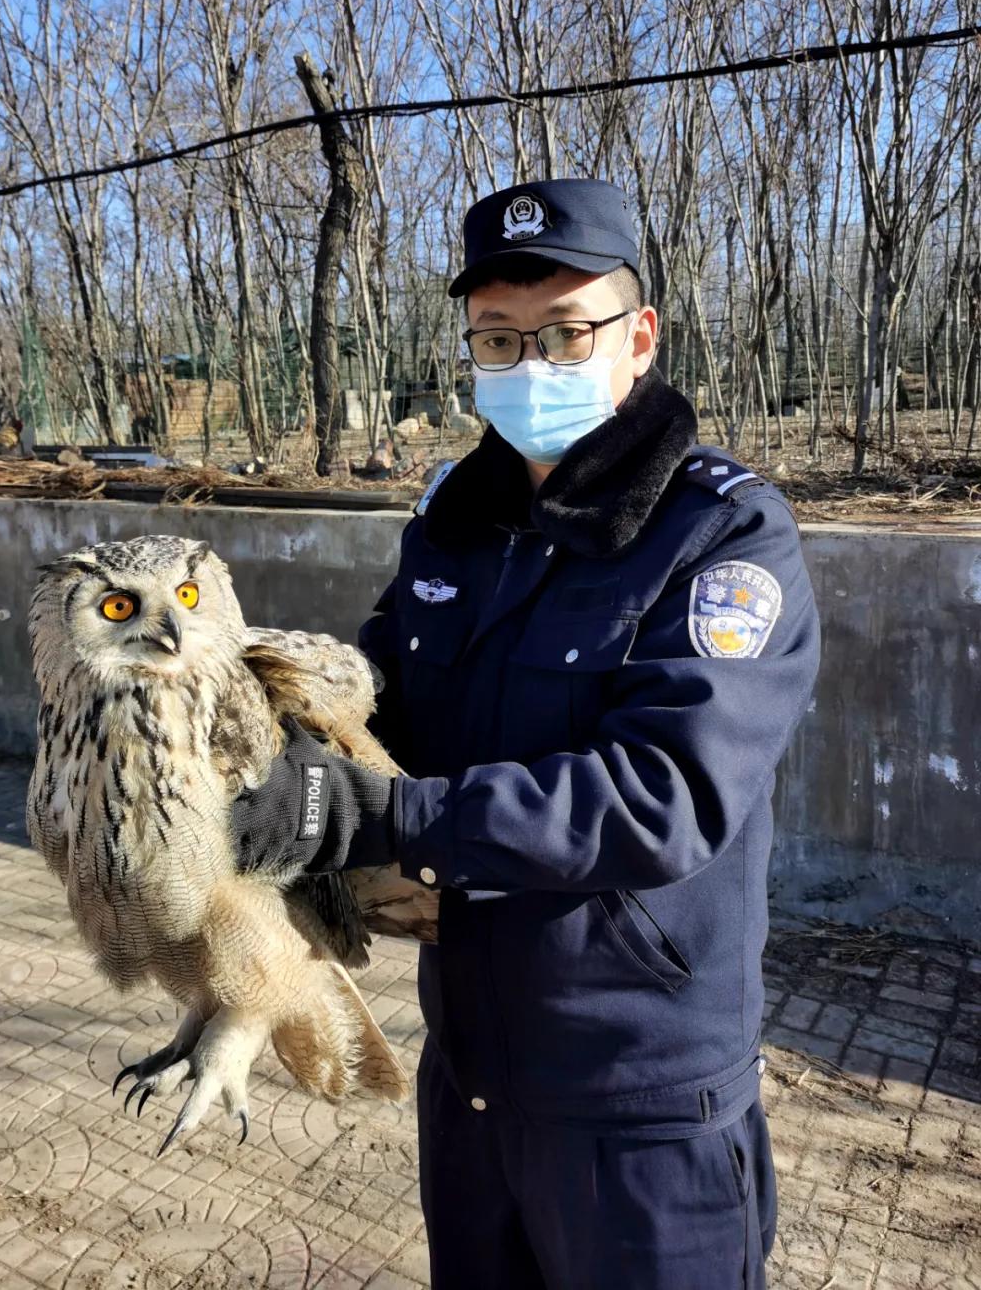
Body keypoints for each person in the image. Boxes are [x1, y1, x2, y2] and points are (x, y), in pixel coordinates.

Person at [243, 178, 821, 1289]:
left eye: (566, 332)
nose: (531, 364)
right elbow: (382, 706)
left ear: (638, 337)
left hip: (641, 1101)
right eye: (499, 340)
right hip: (470, 1077)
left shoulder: (723, 531)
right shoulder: (455, 520)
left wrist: (389, 816)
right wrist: (261, 740)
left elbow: (665, 792)